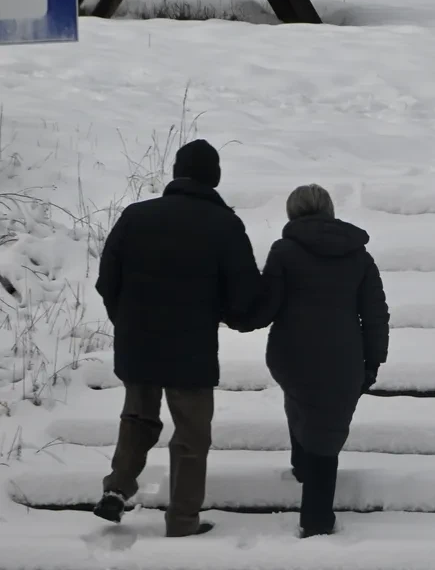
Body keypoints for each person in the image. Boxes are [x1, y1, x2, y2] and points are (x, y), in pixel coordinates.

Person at [92, 139, 260, 537]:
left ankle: (117, 489)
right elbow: (244, 292)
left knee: (137, 417)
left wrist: (126, 320)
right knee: (191, 433)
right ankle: (182, 519)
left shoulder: (135, 216)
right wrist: (235, 318)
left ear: (176, 173)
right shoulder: (224, 224)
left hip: (138, 340)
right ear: (214, 177)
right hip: (192, 347)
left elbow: (106, 281)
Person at [232, 184, 389, 538]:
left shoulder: (285, 252)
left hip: (291, 355)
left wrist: (234, 315)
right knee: (326, 426)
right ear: (330, 210)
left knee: (304, 404)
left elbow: (265, 307)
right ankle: (317, 518)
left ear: (292, 213)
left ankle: (303, 469)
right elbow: (375, 315)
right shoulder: (358, 256)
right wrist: (374, 361)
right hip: (343, 357)